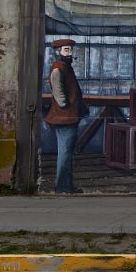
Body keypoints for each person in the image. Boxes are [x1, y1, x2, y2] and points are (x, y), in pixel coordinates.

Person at [44, 38, 88, 194]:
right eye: (66, 50)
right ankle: (62, 186)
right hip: (64, 117)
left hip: (68, 116)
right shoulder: (58, 68)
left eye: (70, 50)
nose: (70, 52)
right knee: (65, 153)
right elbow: (58, 93)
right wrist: (66, 106)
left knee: (67, 153)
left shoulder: (65, 67)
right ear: (58, 52)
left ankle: (66, 186)